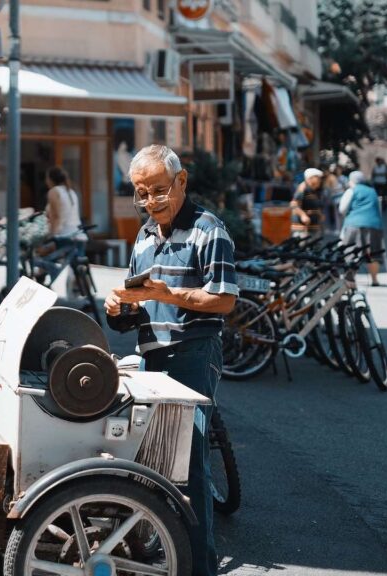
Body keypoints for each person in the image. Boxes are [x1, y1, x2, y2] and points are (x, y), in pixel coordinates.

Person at [104, 145, 238, 576]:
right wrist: (119, 308)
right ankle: (154, 549)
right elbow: (140, 312)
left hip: (194, 353)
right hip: (151, 356)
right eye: (142, 194)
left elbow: (223, 300)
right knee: (148, 457)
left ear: (181, 182)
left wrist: (168, 294)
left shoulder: (207, 230)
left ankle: (200, 566)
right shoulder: (144, 236)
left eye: (159, 190)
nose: (150, 201)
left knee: (191, 462)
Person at [339, 170, 385, 285]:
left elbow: (342, 209)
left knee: (351, 251)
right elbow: (378, 209)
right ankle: (374, 279)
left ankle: (350, 278)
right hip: (373, 224)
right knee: (373, 253)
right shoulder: (372, 191)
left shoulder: (351, 191)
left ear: (351, 181)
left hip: (354, 225)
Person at [291, 167, 325, 238]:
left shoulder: (315, 190)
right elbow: (293, 205)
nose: (320, 180)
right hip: (302, 229)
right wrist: (302, 215)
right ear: (310, 178)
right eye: (318, 178)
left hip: (313, 228)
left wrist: (320, 214)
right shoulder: (303, 188)